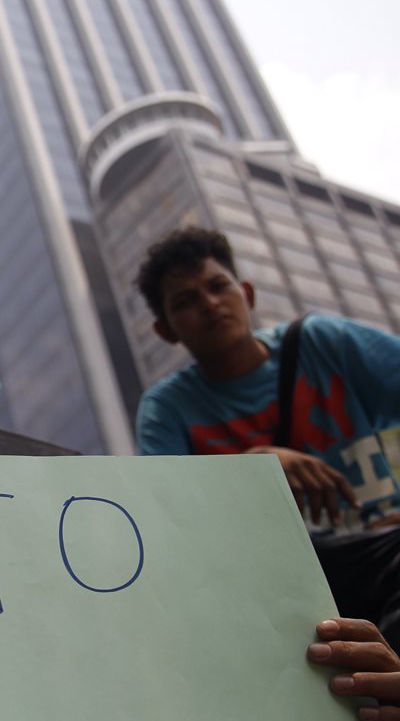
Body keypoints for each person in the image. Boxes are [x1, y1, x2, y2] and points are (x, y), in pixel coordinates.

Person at [134, 227, 400, 647]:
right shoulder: (167, 410)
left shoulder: (323, 343)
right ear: (166, 331)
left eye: (218, 286)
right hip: (281, 583)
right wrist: (257, 466)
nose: (210, 304)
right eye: (186, 301)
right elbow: (167, 518)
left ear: (247, 293)